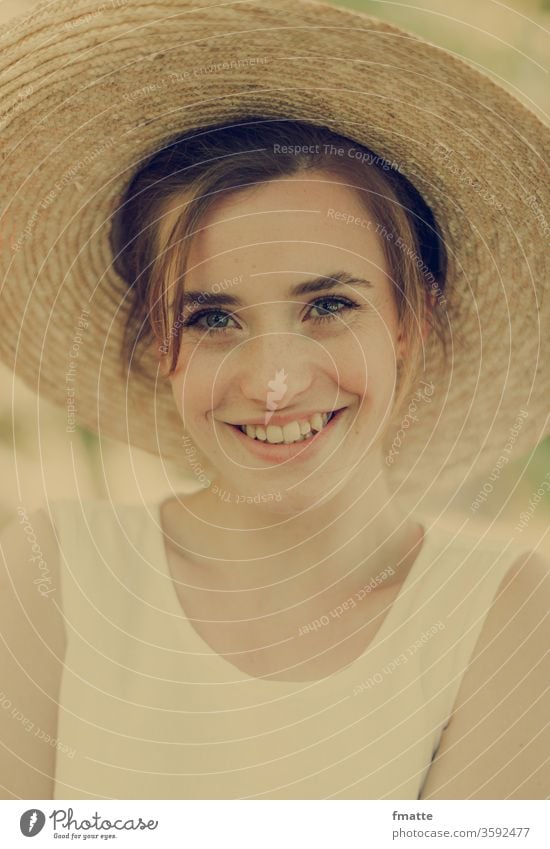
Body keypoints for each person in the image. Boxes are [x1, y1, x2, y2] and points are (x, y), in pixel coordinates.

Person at [0, 0, 548, 801]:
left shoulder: (509, 611)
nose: (275, 381)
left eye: (329, 305)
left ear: (411, 318)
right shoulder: (55, 573)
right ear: (160, 347)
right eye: (213, 318)